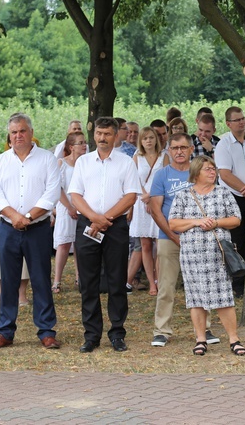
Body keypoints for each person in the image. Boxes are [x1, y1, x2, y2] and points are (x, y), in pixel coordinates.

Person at [0, 113, 61, 349]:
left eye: (22, 131)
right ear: (9, 136)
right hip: (8, 228)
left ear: (31, 132)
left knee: (40, 279)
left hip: (37, 229)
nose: (18, 135)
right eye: (14, 132)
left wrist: (27, 217)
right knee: (8, 281)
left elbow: (52, 194)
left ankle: (47, 331)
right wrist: (14, 216)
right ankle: (5, 331)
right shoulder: (0, 161)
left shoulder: (47, 159)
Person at [68, 117, 140, 353]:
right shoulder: (84, 162)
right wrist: (94, 218)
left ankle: (117, 333)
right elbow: (75, 195)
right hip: (88, 225)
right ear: (94, 135)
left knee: (116, 280)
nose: (102, 138)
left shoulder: (126, 163)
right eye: (99, 133)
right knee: (88, 283)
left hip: (115, 226)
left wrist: (105, 218)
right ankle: (91, 335)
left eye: (107, 134)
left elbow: (130, 196)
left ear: (115, 136)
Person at [168, 156, 245, 356]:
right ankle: (200, 339)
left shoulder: (224, 193)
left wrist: (216, 223)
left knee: (224, 297)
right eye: (208, 169)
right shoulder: (184, 196)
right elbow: (173, 224)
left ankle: (234, 339)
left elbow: (236, 219)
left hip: (217, 255)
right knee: (196, 298)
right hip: (192, 256)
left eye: (214, 169)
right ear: (196, 173)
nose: (213, 172)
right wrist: (196, 222)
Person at [149, 133, 200, 347]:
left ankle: (203, 330)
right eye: (175, 148)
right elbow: (155, 209)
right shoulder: (162, 175)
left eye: (184, 147)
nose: (179, 151)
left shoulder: (199, 173)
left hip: (197, 238)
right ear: (168, 151)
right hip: (168, 239)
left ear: (191, 150)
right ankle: (161, 330)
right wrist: (172, 236)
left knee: (198, 286)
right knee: (167, 286)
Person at [127, 127, 169, 296]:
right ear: (141, 141)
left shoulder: (164, 157)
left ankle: (159, 280)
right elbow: (134, 179)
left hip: (158, 202)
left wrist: (153, 197)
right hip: (141, 203)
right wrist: (145, 196)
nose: (149, 141)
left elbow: (166, 178)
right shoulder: (137, 157)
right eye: (145, 139)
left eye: (151, 138)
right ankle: (151, 283)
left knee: (160, 244)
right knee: (145, 244)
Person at [215, 106, 245, 298]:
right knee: (237, 240)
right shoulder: (224, 144)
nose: (241, 122)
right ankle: (237, 283)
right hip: (235, 197)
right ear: (228, 124)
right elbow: (225, 174)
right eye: (237, 120)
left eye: (243, 118)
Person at [52, 132, 88, 293]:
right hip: (65, 206)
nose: (84, 145)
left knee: (81, 244)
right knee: (64, 244)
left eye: (85, 142)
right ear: (71, 147)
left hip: (83, 207)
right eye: (80, 143)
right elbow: (57, 188)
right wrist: (69, 207)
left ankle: (80, 277)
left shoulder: (86, 164)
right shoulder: (62, 163)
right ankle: (57, 280)